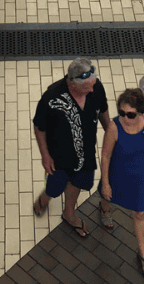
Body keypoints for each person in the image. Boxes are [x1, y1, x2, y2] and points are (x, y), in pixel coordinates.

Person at [32, 57, 111, 239]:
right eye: (87, 87)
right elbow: (39, 126)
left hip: (86, 155)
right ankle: (44, 199)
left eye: (93, 85)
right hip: (58, 157)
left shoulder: (95, 87)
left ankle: (69, 213)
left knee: (78, 183)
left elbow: (104, 112)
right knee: (55, 186)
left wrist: (111, 135)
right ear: (72, 84)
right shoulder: (51, 97)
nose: (92, 89)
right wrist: (45, 155)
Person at [98, 88, 144, 279]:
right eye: (122, 112)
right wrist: (106, 183)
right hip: (118, 173)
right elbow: (106, 156)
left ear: (140, 111)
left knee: (140, 212)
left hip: (140, 176)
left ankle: (143, 255)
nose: (125, 117)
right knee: (107, 196)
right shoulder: (114, 127)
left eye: (130, 114)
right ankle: (104, 209)